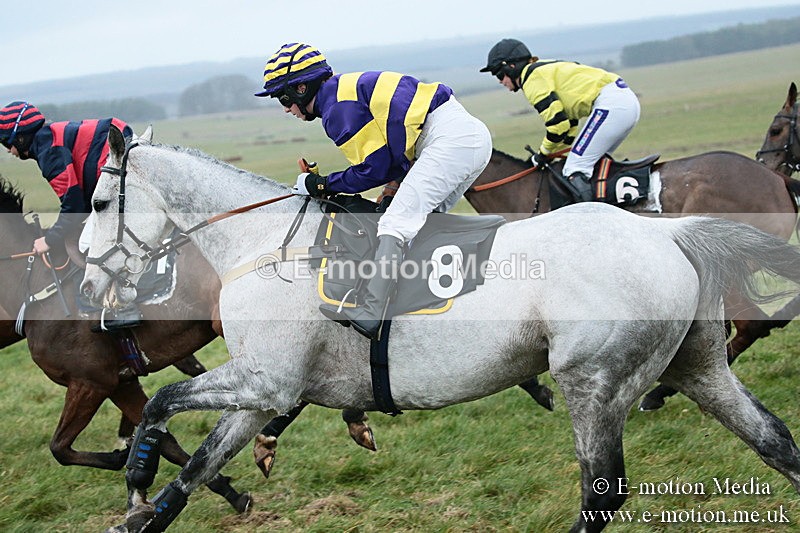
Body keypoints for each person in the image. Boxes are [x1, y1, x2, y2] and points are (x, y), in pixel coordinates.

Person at [256, 42, 492, 340]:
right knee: (414, 219)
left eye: (282, 98)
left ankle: (371, 312)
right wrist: (391, 189)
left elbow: (373, 170)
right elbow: (391, 164)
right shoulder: (342, 91)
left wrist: (321, 184)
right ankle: (423, 300)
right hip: (460, 136)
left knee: (396, 224)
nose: (285, 109)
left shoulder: (336, 109)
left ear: (301, 89)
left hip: (447, 141)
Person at [0, 101, 141, 329]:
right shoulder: (47, 140)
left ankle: (123, 308)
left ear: (21, 137)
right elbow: (78, 201)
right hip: (118, 151)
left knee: (86, 242)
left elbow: (73, 206)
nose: (8, 149)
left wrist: (48, 240)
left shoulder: (48, 151)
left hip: (118, 163)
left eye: (7, 142)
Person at [480, 38, 641, 203]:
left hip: (612, 105)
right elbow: (569, 123)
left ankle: (592, 218)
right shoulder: (542, 69)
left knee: (575, 168)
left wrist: (543, 154)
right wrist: (555, 152)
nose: (500, 80)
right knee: (590, 163)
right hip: (622, 102)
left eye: (499, 73)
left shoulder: (531, 79)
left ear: (511, 67)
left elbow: (557, 126)